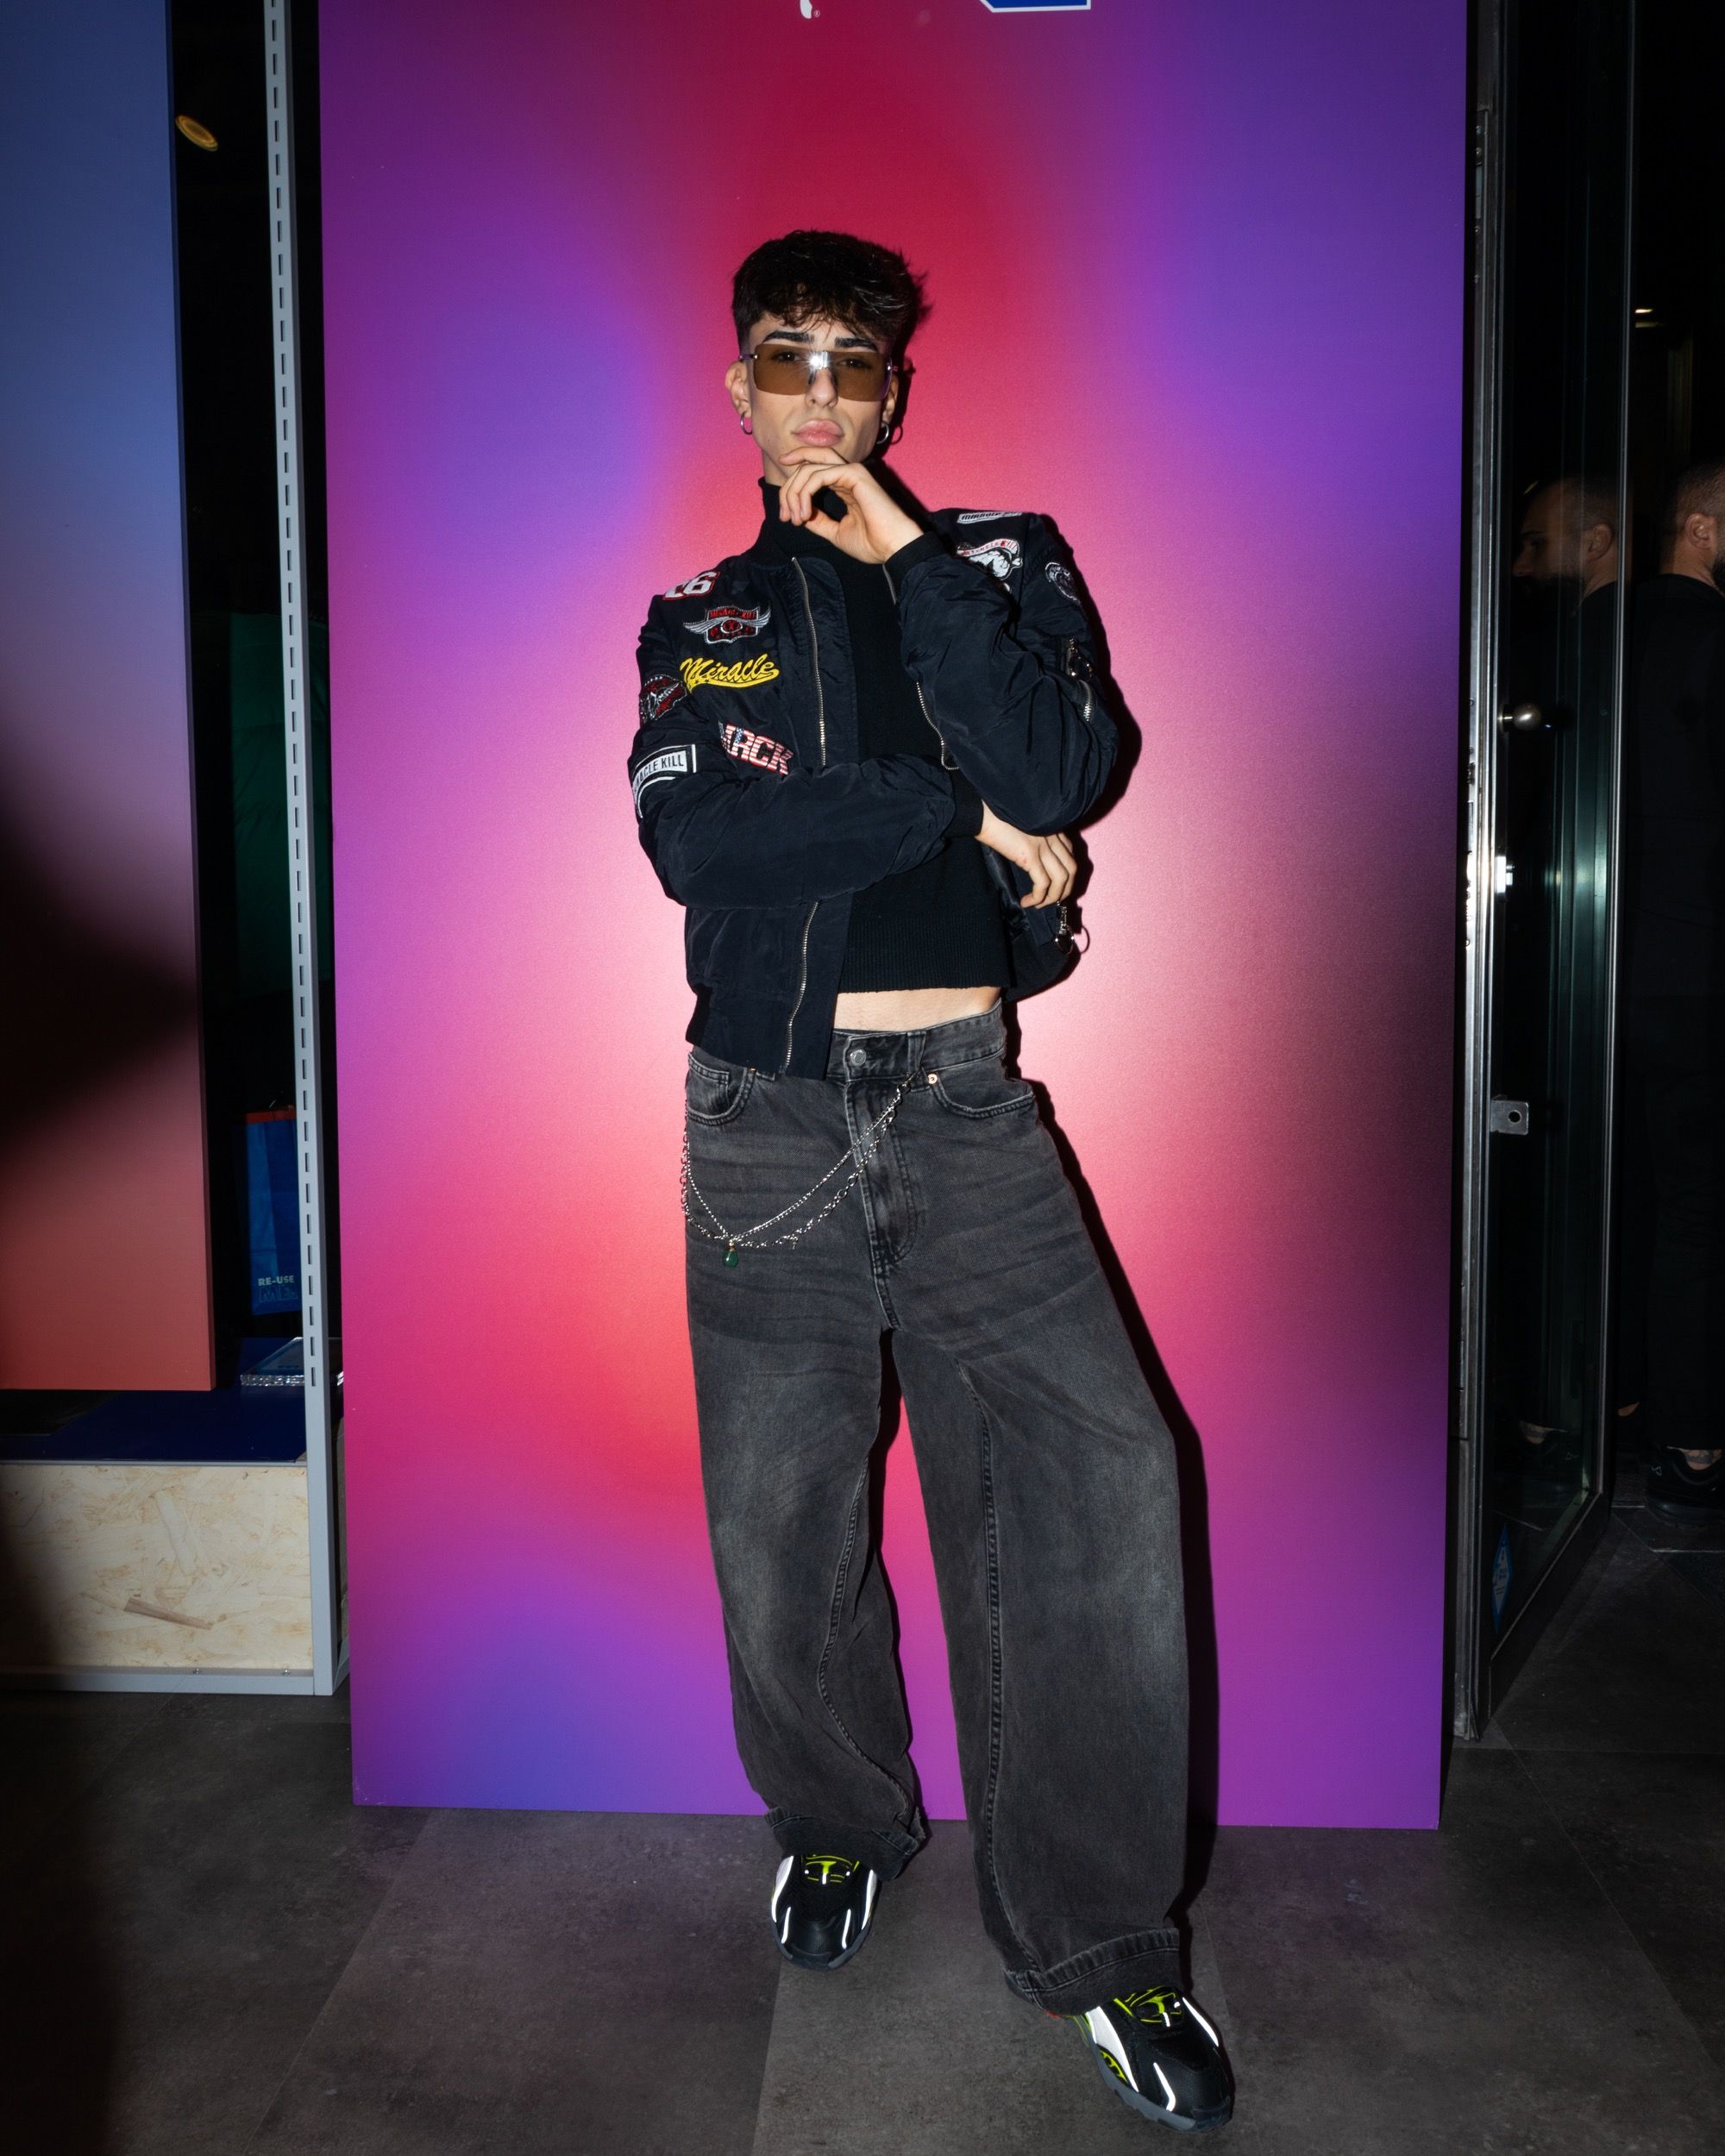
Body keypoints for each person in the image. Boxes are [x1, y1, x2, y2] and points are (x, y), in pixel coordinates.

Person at [625, 230, 1233, 2133]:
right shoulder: (704, 613)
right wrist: (957, 815)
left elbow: (1068, 759)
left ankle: (1101, 1940)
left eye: (854, 363)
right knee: (783, 1525)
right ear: (738, 389)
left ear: (894, 395)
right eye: (784, 357)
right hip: (766, 1118)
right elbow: (706, 846)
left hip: (970, 1109)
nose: (817, 392)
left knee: (1100, 1487)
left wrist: (905, 556)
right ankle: (838, 1817)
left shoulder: (998, 563)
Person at [1620, 458, 1725, 1520]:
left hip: (1602, 965)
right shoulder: (1710, 638)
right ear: (1698, 526)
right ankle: (1689, 1441)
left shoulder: (1602, 633)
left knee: (1616, 1195)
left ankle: (1582, 1408)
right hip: (1695, 970)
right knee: (1695, 1210)